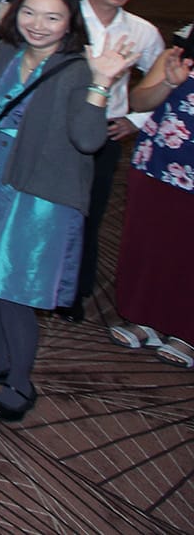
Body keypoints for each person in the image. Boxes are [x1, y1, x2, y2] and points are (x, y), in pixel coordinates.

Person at [0, 0, 133, 421]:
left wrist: (102, 82)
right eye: (30, 13)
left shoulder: (77, 69)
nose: (39, 25)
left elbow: (89, 140)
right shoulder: (6, 55)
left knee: (14, 288)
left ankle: (21, 383)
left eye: (53, 17)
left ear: (70, 24)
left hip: (38, 196)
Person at [65, 0, 164, 322]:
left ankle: (75, 289)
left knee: (90, 212)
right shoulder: (66, 16)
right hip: (59, 128)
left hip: (105, 132)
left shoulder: (142, 31)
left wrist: (137, 120)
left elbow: (164, 79)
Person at [112, 38, 194, 365]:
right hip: (157, 165)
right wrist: (169, 84)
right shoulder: (177, 55)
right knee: (150, 244)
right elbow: (139, 98)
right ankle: (144, 318)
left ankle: (187, 332)